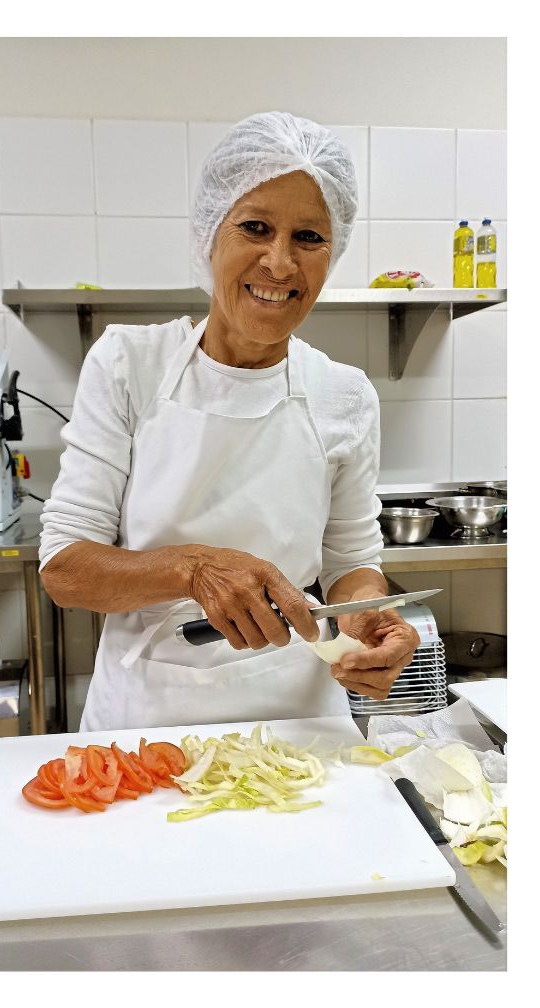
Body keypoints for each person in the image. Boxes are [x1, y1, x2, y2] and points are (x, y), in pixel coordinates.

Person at [38, 112, 418, 731]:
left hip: (298, 724)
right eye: (255, 227)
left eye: (309, 238)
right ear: (209, 235)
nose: (280, 263)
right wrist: (193, 569)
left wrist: (366, 615)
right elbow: (65, 570)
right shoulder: (128, 365)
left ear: (333, 252)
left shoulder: (343, 394)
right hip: (145, 727)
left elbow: (350, 564)